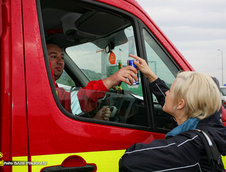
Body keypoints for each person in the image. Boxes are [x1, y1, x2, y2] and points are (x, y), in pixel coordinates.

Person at [119, 54, 226, 171]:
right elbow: (173, 100)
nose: (166, 93)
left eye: (170, 90)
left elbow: (129, 160)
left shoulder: (191, 146)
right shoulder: (208, 125)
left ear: (180, 104)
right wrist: (151, 76)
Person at [47, 44, 138, 120]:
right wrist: (111, 80)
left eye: (62, 58)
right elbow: (73, 101)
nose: (60, 62)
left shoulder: (51, 86)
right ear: (41, 59)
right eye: (54, 56)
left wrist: (95, 119)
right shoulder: (44, 88)